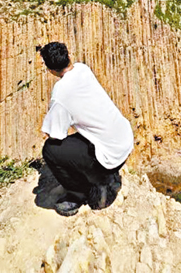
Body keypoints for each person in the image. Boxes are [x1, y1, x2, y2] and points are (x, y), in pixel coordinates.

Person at [39, 41, 134, 217]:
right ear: (69, 57)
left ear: (50, 69)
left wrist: (50, 129)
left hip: (109, 157)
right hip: (124, 141)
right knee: (82, 136)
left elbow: (56, 135)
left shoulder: (60, 93)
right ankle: (106, 176)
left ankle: (78, 193)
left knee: (50, 151)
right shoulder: (83, 69)